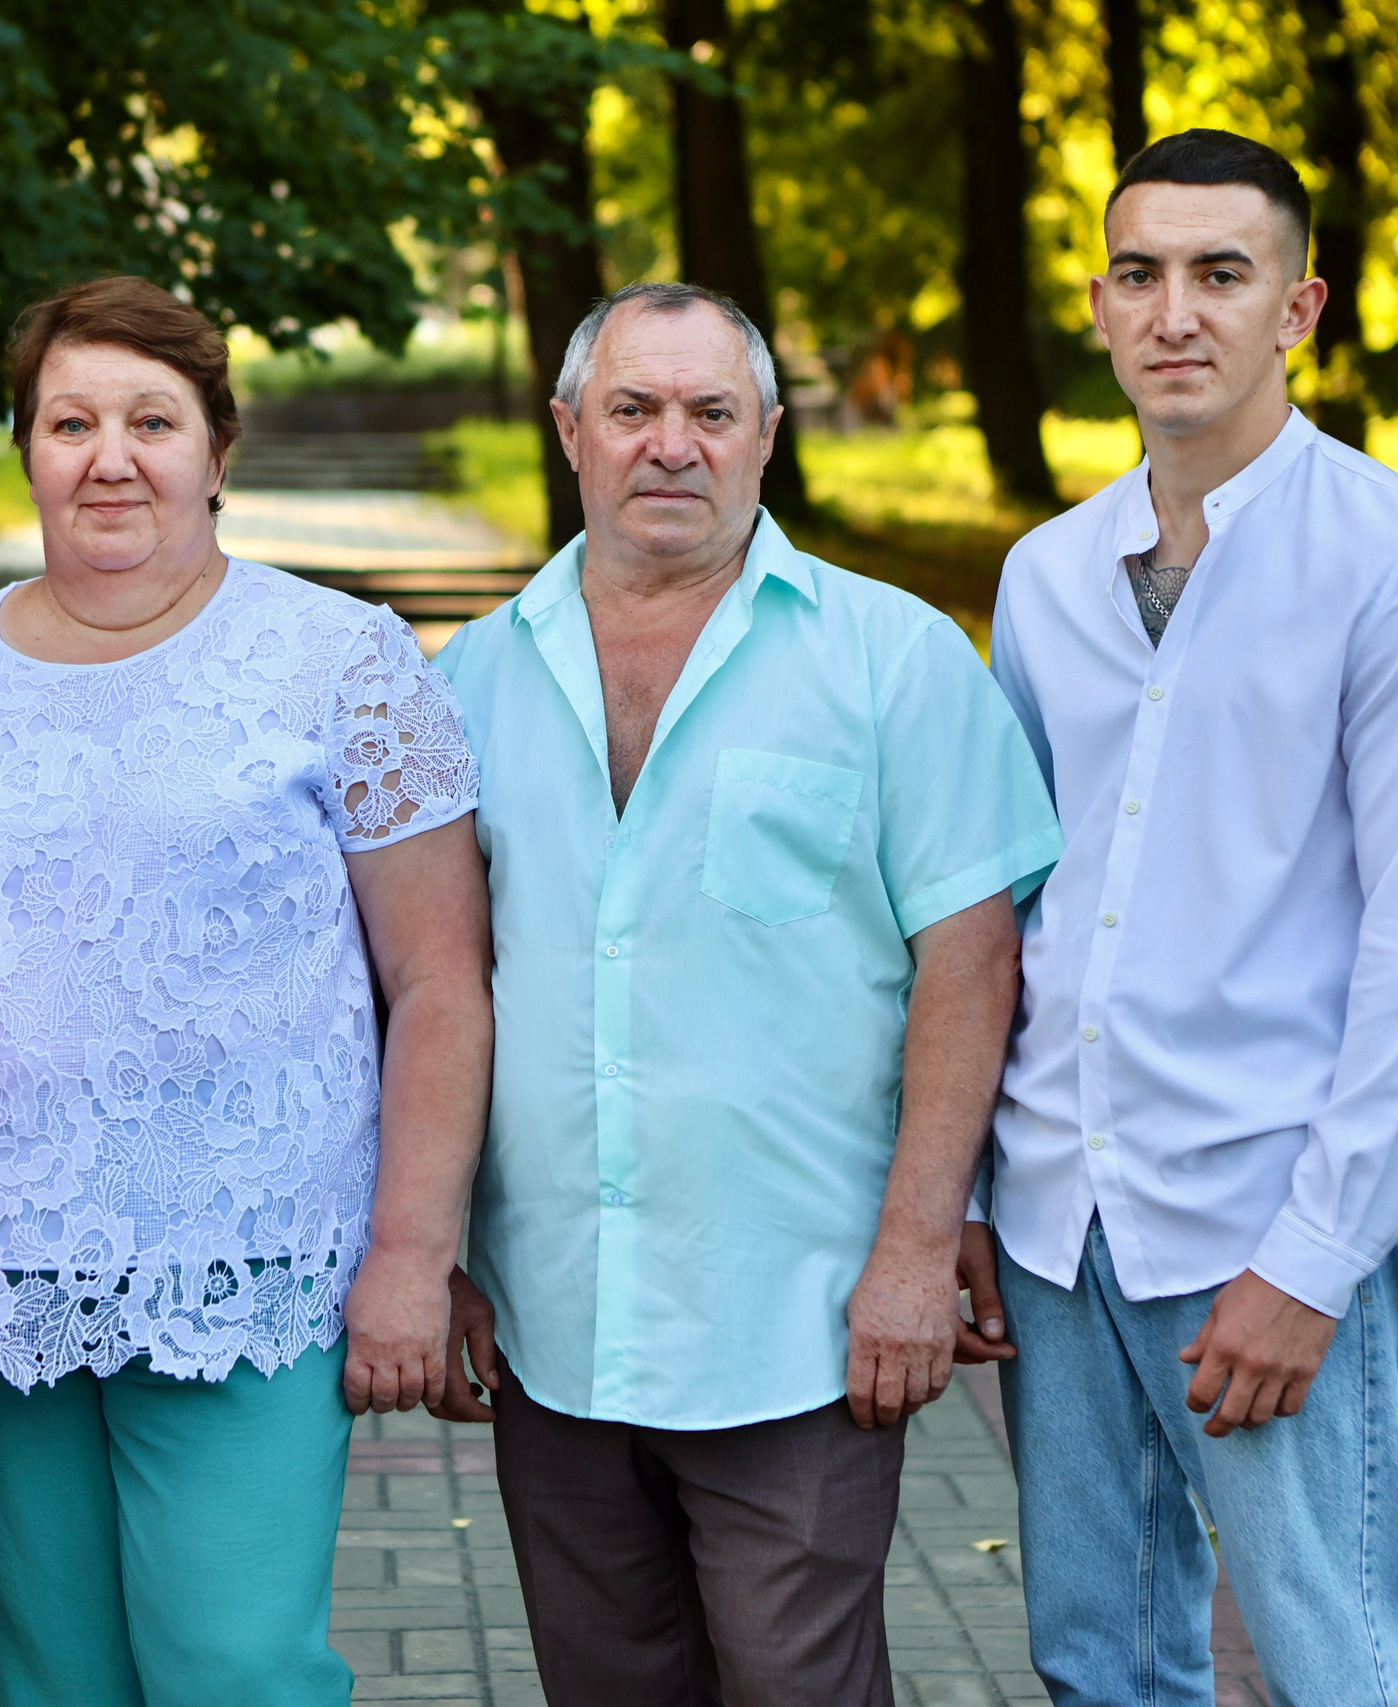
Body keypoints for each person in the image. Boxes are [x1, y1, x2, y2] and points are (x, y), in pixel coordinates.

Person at [0, 274, 492, 1707]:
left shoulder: (341, 664)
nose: (110, 455)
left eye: (153, 419)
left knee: (238, 1672)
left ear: (219, 450)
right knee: (57, 1683)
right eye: (70, 420)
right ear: (23, 448)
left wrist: (411, 1251)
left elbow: (441, 982)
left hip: (249, 1262)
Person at [428, 282, 1064, 1707]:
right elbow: (440, 985)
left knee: (798, 1686)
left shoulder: (893, 660)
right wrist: (444, 1243)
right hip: (552, 1318)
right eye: (635, 409)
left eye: (711, 412)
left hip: (799, 1316)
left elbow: (972, 966)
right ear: (569, 430)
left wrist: (917, 1252)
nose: (673, 444)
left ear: (765, 436)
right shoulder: (468, 679)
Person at [962, 129, 1398, 1706]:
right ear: (1101, 301)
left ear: (1299, 308)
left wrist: (1321, 1258)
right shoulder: (1048, 573)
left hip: (1263, 1219)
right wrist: (992, 1205)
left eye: (1222, 273)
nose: (1176, 311)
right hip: (1066, 1221)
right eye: (1142, 274)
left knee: (1335, 1666)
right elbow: (1016, 902)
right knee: (1098, 1662)